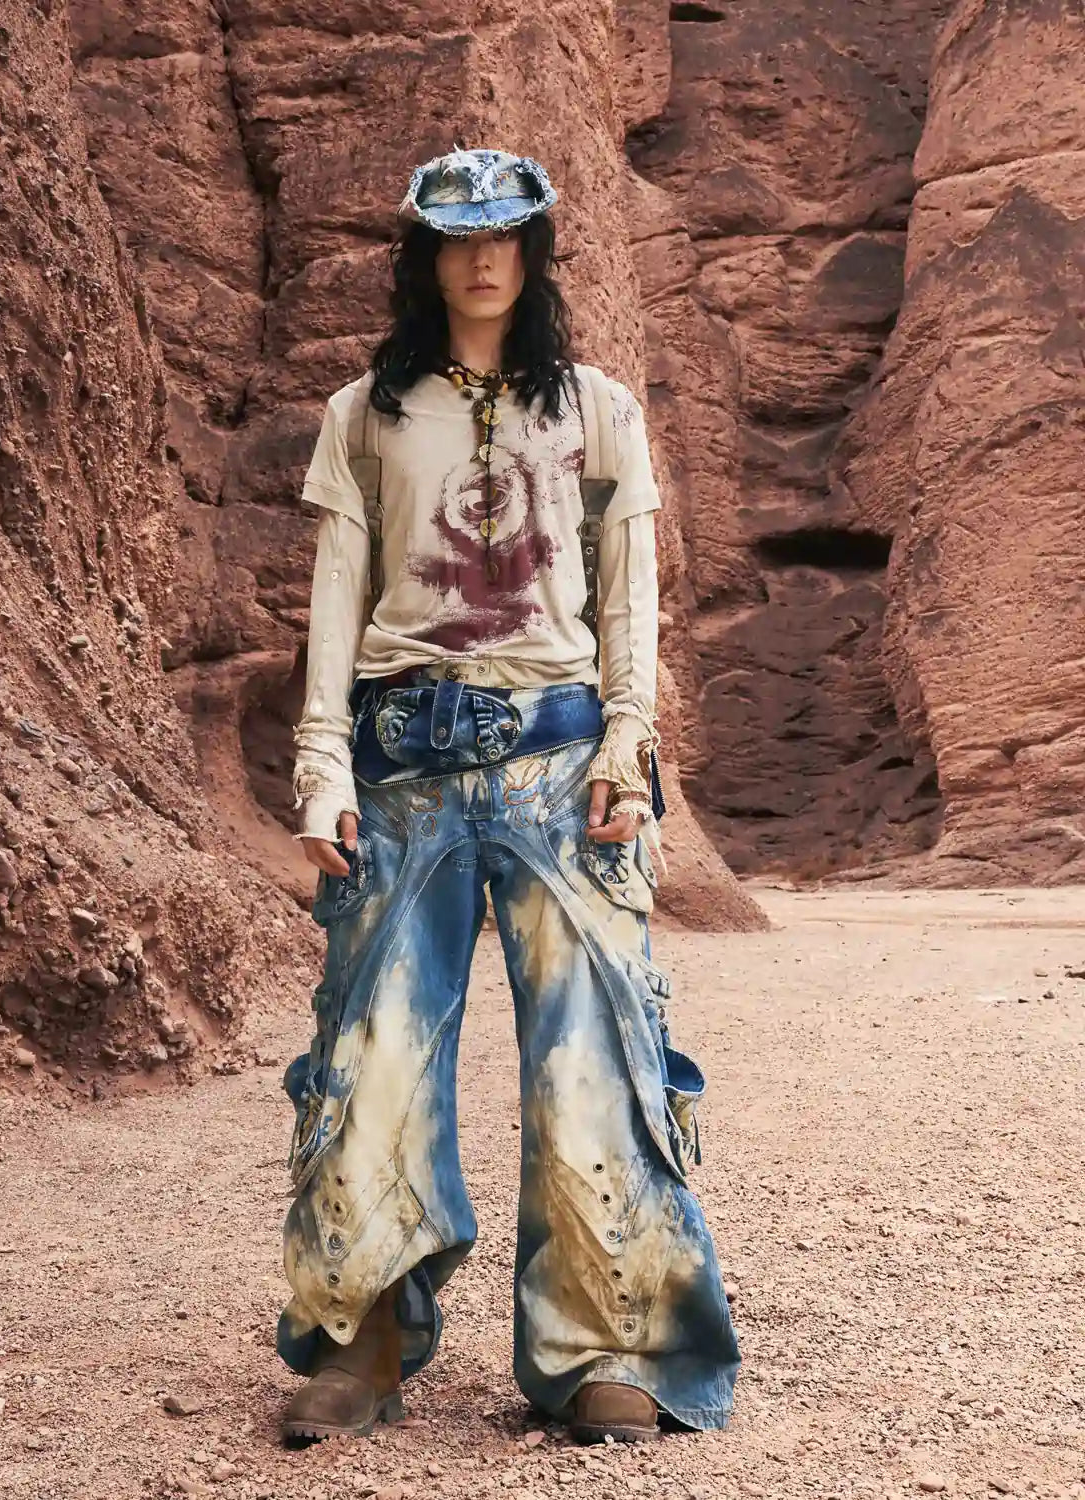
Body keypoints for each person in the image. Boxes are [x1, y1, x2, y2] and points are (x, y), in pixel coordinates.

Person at [276, 147, 739, 1446]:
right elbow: (335, 602)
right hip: (401, 768)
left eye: (506, 235)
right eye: (457, 236)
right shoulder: (363, 416)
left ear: (534, 253)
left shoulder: (599, 409)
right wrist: (321, 768)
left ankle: (610, 1348)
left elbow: (630, 598)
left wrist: (629, 748)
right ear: (424, 257)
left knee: (595, 1053)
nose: (482, 257)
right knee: (372, 1052)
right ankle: (361, 1340)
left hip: (559, 763)